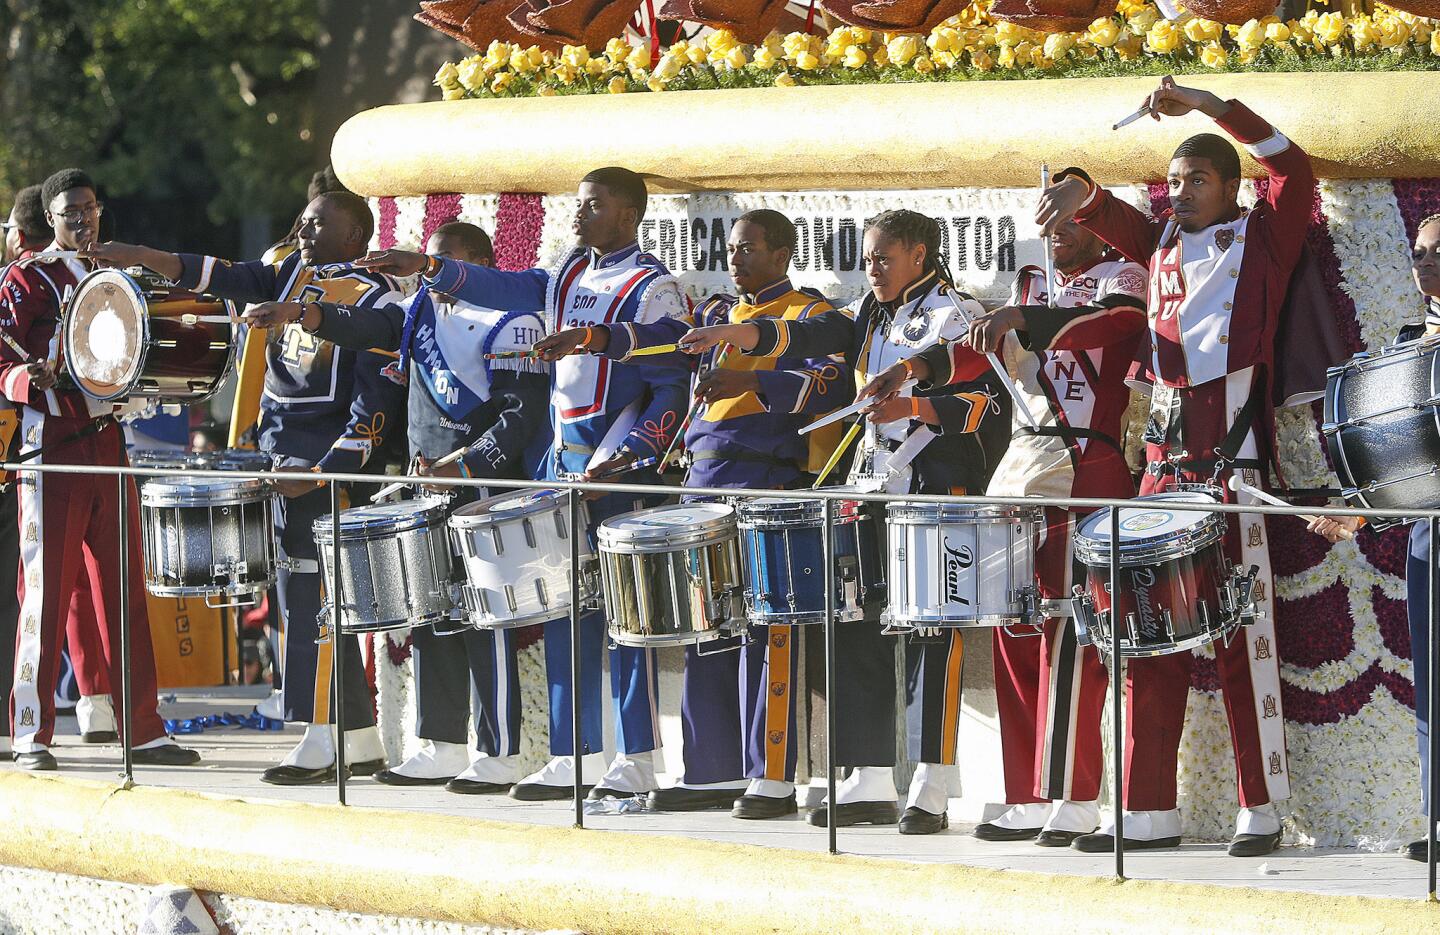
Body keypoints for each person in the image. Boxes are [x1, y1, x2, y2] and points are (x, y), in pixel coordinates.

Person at [1035, 76, 1314, 857]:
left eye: (1197, 180)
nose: (1181, 191)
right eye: (1175, 180)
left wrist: (1209, 105)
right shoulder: (1156, 241)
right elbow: (1105, 211)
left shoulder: (1265, 237)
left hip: (1231, 467)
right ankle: (1146, 809)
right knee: (1142, 637)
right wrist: (1075, 190)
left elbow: (1294, 167)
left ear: (1232, 188)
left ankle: (1261, 808)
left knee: (1237, 642)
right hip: (1159, 468)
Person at [357, 167, 688, 801]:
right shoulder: (563, 275)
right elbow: (503, 285)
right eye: (578, 206)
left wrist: (630, 457)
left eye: (592, 207)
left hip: (612, 469)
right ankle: (573, 753)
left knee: (623, 617)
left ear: (627, 215)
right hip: (558, 468)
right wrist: (430, 270)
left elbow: (671, 384)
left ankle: (638, 758)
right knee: (562, 609)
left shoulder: (653, 287)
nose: (578, 216)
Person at [680, 209, 1007, 834]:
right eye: (867, 258)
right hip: (867, 488)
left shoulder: (956, 315)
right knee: (856, 625)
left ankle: (932, 784)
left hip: (932, 490)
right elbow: (810, 341)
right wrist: (742, 340)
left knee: (932, 638)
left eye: (884, 258)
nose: (873, 269)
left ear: (921, 254)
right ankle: (868, 775)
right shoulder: (869, 315)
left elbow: (984, 405)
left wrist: (910, 402)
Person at [534, 208, 850, 818]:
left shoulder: (811, 313)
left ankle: (772, 776)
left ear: (782, 253)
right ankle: (711, 770)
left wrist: (748, 384)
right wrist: (593, 339)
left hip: (768, 486)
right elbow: (657, 343)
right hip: (700, 485)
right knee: (705, 626)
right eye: (732, 250)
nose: (736, 260)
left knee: (765, 630)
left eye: (749, 249)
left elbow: (827, 380)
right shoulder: (712, 313)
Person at [82, 191, 406, 784]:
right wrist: (140, 254)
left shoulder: (376, 297)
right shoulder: (288, 271)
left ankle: (319, 736)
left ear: (357, 234)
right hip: (281, 461)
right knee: (294, 598)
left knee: (319, 602)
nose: (304, 228)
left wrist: (329, 469)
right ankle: (357, 740)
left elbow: (374, 402)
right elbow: (218, 273)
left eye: (319, 223)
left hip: (325, 472)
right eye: (303, 219)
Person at [863, 222, 1147, 843]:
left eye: (1075, 220)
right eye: (1051, 224)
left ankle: (1073, 794)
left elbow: (1106, 326)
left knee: (1073, 637)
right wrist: (912, 367)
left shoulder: (1123, 280)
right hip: (1018, 471)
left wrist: (1019, 316)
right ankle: (1024, 791)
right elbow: (974, 350)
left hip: (1083, 467)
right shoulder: (1031, 285)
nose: (1060, 235)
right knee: (1014, 632)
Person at [245, 221, 551, 794]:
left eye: (441, 262)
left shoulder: (511, 321)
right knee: (431, 613)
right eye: (425, 262)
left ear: (478, 263)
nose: (426, 273)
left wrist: (462, 465)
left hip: (477, 485)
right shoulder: (418, 312)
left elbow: (516, 414)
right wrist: (301, 316)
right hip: (423, 481)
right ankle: (442, 742)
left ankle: (501, 749)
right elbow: (368, 326)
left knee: (484, 620)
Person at [1, 168, 198, 769]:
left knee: (124, 590)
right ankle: (31, 734)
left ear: (99, 210)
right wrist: (27, 379)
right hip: (52, 448)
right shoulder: (25, 277)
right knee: (45, 593)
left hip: (110, 444)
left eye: (88, 209)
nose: (80, 220)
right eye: (68, 212)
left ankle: (142, 729)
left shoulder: (120, 275)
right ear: (51, 219)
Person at [1309, 212, 1440, 863]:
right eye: (1420, 253)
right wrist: (1359, 509)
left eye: (1438, 252)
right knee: (1435, 674)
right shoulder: (1413, 342)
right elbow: (1405, 454)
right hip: (1429, 533)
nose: (1426, 265)